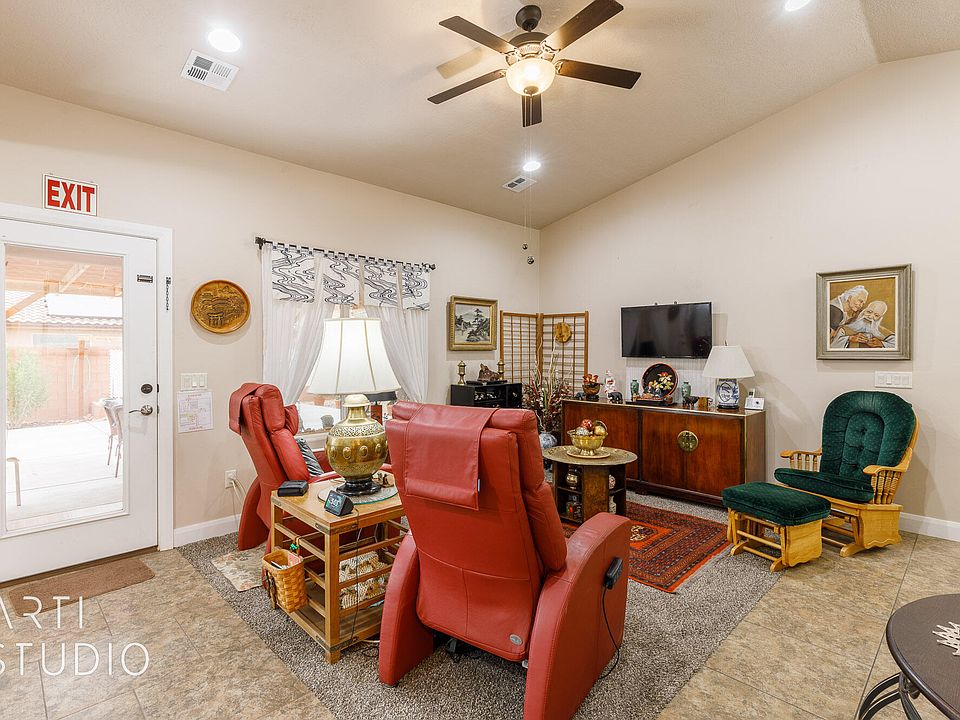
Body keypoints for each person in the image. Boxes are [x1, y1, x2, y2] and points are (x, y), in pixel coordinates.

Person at [832, 300, 896, 349]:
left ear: (880, 318)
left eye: (876, 315)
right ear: (863, 311)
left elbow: (898, 346)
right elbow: (832, 345)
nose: (870, 317)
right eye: (869, 312)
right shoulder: (845, 329)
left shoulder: (884, 332)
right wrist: (850, 338)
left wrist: (881, 343)